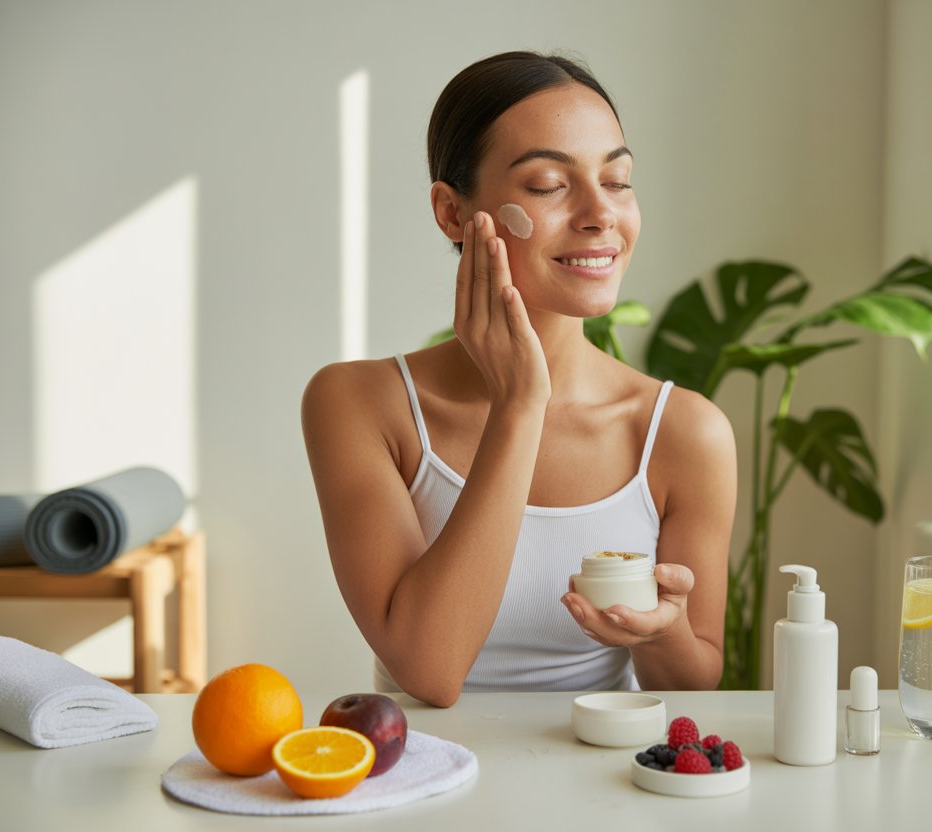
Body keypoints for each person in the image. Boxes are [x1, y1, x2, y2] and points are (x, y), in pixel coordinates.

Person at [301, 51, 736, 707]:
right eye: (548, 185)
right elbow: (429, 671)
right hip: (424, 794)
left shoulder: (683, 431)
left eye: (617, 180)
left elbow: (694, 684)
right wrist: (519, 407)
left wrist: (660, 633)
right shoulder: (359, 405)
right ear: (452, 213)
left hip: (603, 797)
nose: (600, 214)